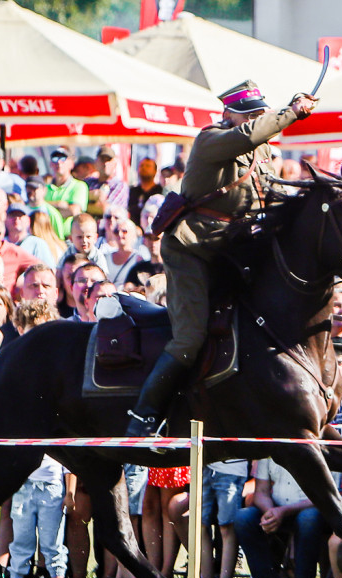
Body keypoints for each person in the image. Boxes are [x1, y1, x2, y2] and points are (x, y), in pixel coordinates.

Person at [125, 80, 317, 439]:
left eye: (260, 113)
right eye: (250, 115)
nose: (257, 120)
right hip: (192, 251)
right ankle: (144, 416)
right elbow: (246, 136)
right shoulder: (211, 139)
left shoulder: (261, 153)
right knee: (189, 339)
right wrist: (289, 113)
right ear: (227, 113)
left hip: (233, 249)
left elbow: (271, 193)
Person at [235, 457, 328, 578]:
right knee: (243, 517)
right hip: (278, 508)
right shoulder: (270, 450)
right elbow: (261, 491)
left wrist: (283, 511)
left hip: (312, 510)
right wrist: (271, 512)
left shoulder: (317, 450)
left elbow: (324, 496)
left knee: (308, 519)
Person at [0, 454, 74, 578]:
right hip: (24, 486)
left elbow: (69, 465)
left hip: (52, 489)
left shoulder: (57, 432)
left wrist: (70, 493)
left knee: (53, 542)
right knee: (21, 540)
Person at [128, 157, 163, 226]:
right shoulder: (132, 191)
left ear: (155, 171)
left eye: (148, 166)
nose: (144, 168)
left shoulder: (160, 191)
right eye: (141, 166)